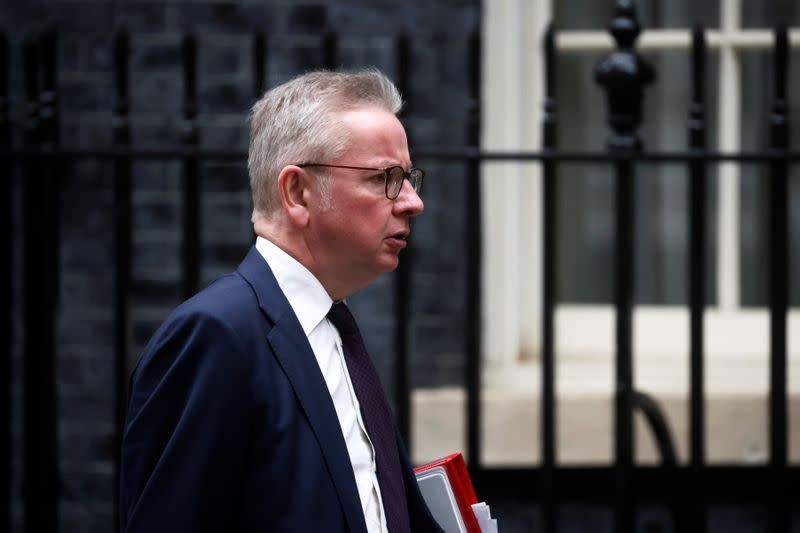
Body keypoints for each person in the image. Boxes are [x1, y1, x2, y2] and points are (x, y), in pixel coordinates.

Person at [119, 69, 443, 533]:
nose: (412, 201)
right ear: (297, 192)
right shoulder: (215, 334)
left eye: (409, 177)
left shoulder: (334, 327)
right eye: (384, 178)